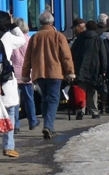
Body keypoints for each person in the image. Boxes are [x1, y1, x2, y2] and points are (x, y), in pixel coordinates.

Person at [21, 11, 75, 139]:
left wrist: (25, 74)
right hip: (55, 73)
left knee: (45, 99)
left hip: (39, 73)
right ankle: (48, 126)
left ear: (40, 22)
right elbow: (66, 57)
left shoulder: (35, 37)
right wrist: (70, 72)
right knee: (53, 99)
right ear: (52, 22)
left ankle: (48, 124)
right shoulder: (58, 36)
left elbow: (28, 58)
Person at [0, 11, 25, 160]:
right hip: (6, 81)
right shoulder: (7, 37)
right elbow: (22, 40)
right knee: (11, 112)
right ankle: (8, 147)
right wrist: (13, 24)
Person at [70, 19, 106, 119]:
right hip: (94, 68)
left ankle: (80, 111)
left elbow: (72, 52)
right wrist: (104, 69)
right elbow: (102, 55)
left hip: (80, 67)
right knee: (93, 90)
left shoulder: (79, 38)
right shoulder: (98, 39)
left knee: (81, 90)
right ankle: (94, 111)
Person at [10, 18, 37, 131]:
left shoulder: (11, 40)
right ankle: (32, 121)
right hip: (27, 74)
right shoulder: (29, 40)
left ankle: (15, 125)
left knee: (15, 101)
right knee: (29, 99)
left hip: (14, 74)